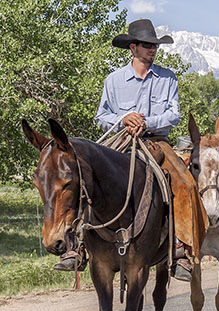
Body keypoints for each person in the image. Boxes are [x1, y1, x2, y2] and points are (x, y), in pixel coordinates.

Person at [54, 19, 208, 282]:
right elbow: (101, 116)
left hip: (157, 142)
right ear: (133, 48)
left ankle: (182, 249)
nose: (153, 50)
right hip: (121, 141)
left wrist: (146, 121)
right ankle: (76, 247)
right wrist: (123, 119)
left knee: (186, 184)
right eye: (148, 45)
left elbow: (174, 115)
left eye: (155, 45)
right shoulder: (114, 80)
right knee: (85, 176)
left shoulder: (167, 78)